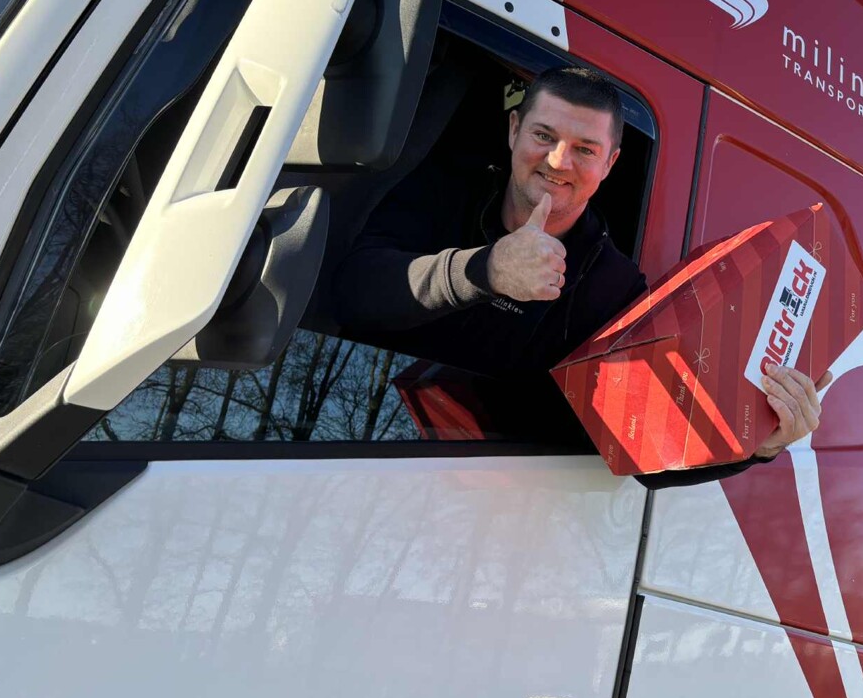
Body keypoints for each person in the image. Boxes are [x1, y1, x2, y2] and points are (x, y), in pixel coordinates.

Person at [333, 66, 828, 483]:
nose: (557, 161)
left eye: (585, 149)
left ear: (610, 163)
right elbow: (350, 291)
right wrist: (482, 270)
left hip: (493, 496)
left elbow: (638, 443)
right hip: (342, 440)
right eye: (543, 135)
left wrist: (757, 446)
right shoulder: (445, 189)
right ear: (513, 130)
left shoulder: (615, 289)